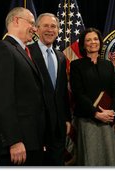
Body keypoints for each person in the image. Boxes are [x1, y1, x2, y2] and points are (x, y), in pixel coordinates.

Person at [0, 7, 46, 166]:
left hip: (32, 142)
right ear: (16, 20)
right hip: (17, 146)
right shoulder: (2, 48)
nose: (34, 28)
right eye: (32, 23)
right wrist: (14, 141)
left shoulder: (24, 51)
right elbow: (1, 99)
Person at [69, 27, 115, 166]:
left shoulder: (108, 65)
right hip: (88, 120)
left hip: (108, 119)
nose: (93, 42)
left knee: (110, 158)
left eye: (96, 39)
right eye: (89, 40)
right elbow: (78, 94)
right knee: (91, 159)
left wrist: (112, 114)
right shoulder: (76, 65)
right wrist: (95, 113)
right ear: (83, 44)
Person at [28, 13, 71, 166]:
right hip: (36, 127)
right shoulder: (27, 53)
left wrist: (66, 118)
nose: (49, 30)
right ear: (37, 29)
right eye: (45, 26)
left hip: (58, 127)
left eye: (53, 26)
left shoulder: (60, 56)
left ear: (58, 31)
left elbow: (62, 93)